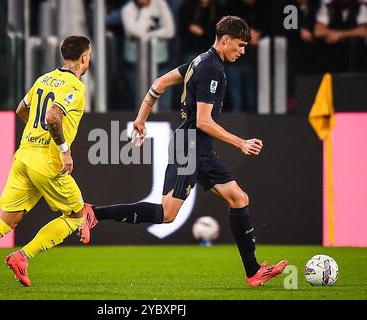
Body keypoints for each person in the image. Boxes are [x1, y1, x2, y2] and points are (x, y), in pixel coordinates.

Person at [80, 16, 288, 287]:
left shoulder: (199, 61)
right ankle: (95, 212)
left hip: (197, 147)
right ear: (224, 40)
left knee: (239, 199)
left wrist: (141, 119)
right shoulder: (211, 68)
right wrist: (240, 143)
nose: (242, 50)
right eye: (239, 45)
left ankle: (253, 271)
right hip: (188, 146)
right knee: (167, 214)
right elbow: (203, 121)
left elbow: (159, 83)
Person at [0, 36, 94, 292]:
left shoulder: (43, 79)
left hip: (24, 156)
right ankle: (22, 257)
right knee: (76, 216)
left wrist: (35, 135)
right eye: (89, 54)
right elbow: (52, 115)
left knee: (7, 220)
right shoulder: (75, 86)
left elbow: (21, 110)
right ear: (84, 57)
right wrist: (64, 151)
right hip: (48, 161)